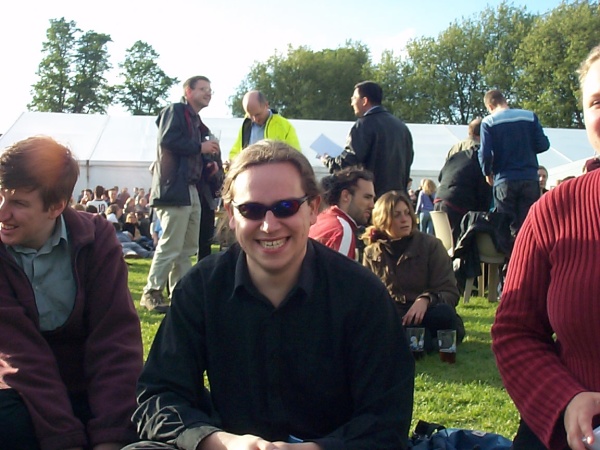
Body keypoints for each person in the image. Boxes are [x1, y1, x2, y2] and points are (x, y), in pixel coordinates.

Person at [124, 140, 415, 450]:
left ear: (313, 208)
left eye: (285, 207)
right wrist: (219, 442)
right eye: (251, 210)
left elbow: (387, 416)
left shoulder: (361, 294)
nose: (269, 225)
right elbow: (159, 396)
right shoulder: (201, 289)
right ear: (231, 214)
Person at [0, 136, 143, 450]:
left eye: (18, 203)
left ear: (56, 206)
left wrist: (111, 436)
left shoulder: (95, 239)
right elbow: (20, 353)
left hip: (89, 387)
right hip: (21, 390)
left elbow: (114, 339)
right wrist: (65, 440)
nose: (2, 212)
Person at [491, 44, 600, 450]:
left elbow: (490, 160)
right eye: (598, 101)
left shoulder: (493, 124)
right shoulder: (554, 211)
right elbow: (515, 330)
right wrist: (565, 401)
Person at [141, 75, 222, 313]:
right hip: (175, 189)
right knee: (171, 244)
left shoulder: (196, 121)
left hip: (191, 189)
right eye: (203, 89)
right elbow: (168, 140)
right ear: (188, 91)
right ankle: (151, 292)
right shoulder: (175, 111)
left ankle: (181, 294)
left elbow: (187, 151)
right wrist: (200, 147)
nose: (208, 93)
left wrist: (209, 163)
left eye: (210, 89)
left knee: (188, 248)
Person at [362, 191, 464, 352]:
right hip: (396, 319)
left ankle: (422, 343)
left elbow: (450, 292)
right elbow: (367, 297)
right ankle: (420, 344)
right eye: (397, 215)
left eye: (407, 213)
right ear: (383, 220)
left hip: (429, 314)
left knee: (444, 314)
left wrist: (425, 300)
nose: (404, 219)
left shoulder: (431, 246)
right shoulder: (371, 253)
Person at [321, 81, 414, 198]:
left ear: (364, 101)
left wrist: (328, 160)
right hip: (396, 201)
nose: (351, 103)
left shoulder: (363, 125)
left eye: (354, 98)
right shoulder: (402, 128)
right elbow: (408, 162)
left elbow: (350, 163)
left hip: (371, 200)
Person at [479, 89, 550, 236]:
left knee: (506, 228)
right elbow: (543, 145)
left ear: (490, 107)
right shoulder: (529, 117)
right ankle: (530, 256)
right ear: (505, 101)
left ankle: (511, 258)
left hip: (504, 179)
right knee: (530, 225)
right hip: (529, 177)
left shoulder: (489, 122)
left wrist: (487, 172)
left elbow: (485, 153)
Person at [308, 166, 375, 260]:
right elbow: (336, 274)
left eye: (373, 199)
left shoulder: (320, 220)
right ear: (346, 196)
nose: (372, 205)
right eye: (367, 197)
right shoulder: (342, 231)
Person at [435, 141, 492, 246]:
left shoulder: (457, 155)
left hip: (439, 199)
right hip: (457, 204)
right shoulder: (481, 162)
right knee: (461, 245)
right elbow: (484, 195)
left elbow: (440, 177)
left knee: (445, 245)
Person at [229, 90, 301, 159]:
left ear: (266, 105)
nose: (255, 119)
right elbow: (235, 153)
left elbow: (296, 156)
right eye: (250, 115)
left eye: (257, 114)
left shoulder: (284, 126)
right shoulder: (246, 126)